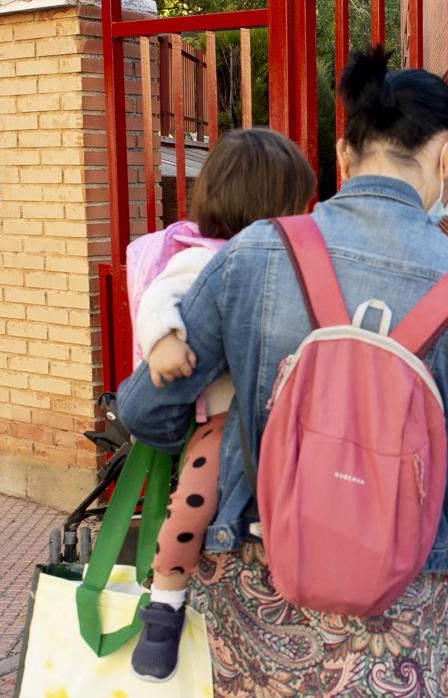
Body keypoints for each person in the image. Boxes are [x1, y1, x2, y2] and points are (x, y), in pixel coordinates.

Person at [116, 46, 448, 696]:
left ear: (343, 153)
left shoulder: (255, 252)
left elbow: (147, 409)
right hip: (398, 597)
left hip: (256, 585)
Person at [125, 128, 315, 683]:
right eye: (294, 204)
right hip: (226, 417)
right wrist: (162, 339)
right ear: (266, 206)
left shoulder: (292, 261)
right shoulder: (204, 258)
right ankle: (165, 600)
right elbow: (163, 294)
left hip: (285, 414)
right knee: (195, 497)